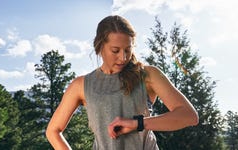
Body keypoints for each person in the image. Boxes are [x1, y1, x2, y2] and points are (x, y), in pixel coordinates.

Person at [46, 15, 198, 150]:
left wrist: (137, 123)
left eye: (128, 50)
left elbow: (189, 116)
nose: (123, 57)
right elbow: (53, 130)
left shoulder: (148, 75)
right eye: (115, 50)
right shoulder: (81, 85)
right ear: (100, 47)